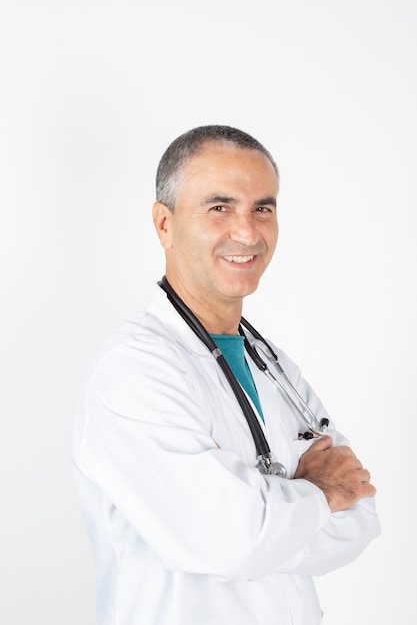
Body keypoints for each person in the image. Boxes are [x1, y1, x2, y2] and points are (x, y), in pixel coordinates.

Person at [71, 125, 380, 625]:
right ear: (164, 225)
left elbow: (359, 519)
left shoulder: (275, 366)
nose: (248, 231)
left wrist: (272, 516)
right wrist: (316, 496)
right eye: (219, 208)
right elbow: (231, 540)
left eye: (264, 207)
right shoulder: (133, 373)